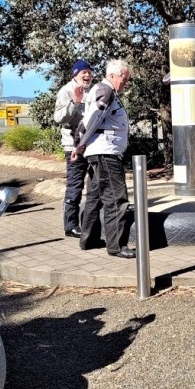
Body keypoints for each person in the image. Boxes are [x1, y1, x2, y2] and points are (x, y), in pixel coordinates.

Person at [71, 59, 135, 259]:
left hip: (99, 152)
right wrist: (79, 146)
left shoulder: (102, 91)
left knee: (95, 196)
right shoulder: (105, 91)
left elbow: (85, 121)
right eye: (125, 78)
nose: (126, 82)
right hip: (106, 152)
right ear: (114, 75)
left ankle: (88, 240)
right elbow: (93, 119)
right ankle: (116, 246)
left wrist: (80, 145)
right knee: (116, 198)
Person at [53, 59, 94, 238]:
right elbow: (59, 118)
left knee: (95, 184)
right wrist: (75, 103)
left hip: (93, 145)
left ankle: (91, 221)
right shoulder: (66, 91)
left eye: (89, 72)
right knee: (75, 186)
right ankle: (70, 225)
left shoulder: (93, 90)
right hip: (74, 147)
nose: (87, 75)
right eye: (82, 72)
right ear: (75, 74)